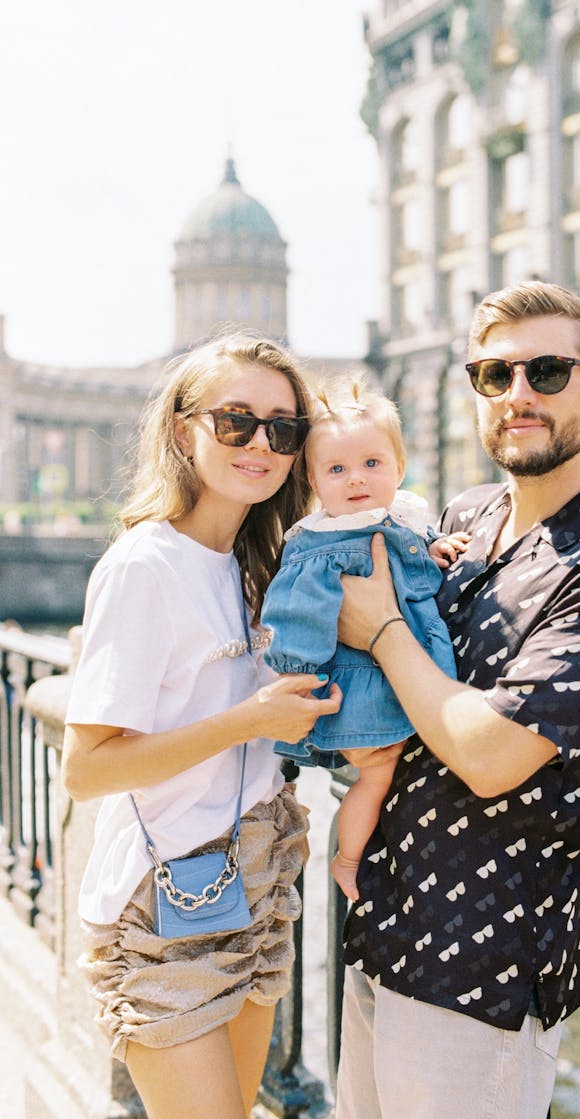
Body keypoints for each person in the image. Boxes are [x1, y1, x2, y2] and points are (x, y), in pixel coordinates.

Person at [333, 281, 580, 1119]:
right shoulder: (469, 514)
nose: (517, 394)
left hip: (479, 970)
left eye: (547, 370)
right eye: (493, 374)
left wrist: (380, 625)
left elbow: (491, 754)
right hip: (383, 926)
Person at [61, 332, 342, 1119]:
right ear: (184, 429)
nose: (261, 443)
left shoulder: (263, 561)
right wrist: (248, 719)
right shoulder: (143, 565)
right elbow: (86, 769)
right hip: (163, 902)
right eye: (235, 422)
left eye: (282, 429)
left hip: (257, 872)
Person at [260, 376, 469, 902]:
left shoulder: (396, 519)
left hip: (400, 676)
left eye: (372, 464)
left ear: (399, 468)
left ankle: (370, 858)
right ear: (314, 482)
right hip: (362, 691)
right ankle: (349, 860)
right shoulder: (319, 546)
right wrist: (301, 683)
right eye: (337, 469)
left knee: (388, 773)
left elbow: (409, 554)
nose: (356, 479)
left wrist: (437, 547)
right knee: (377, 773)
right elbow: (293, 616)